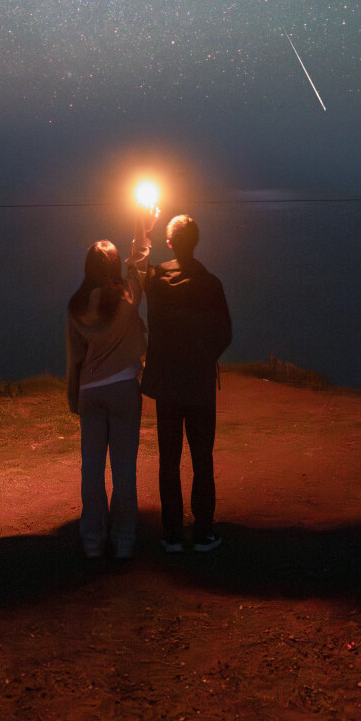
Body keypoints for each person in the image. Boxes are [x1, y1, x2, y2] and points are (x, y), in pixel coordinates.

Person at [140, 212, 232, 554]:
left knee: (169, 458)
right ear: (196, 242)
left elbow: (135, 273)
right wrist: (203, 358)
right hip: (199, 385)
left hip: (167, 383)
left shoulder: (156, 279)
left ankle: (172, 533)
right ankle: (205, 531)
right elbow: (225, 332)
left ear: (169, 243)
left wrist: (141, 233)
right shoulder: (211, 283)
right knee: (201, 457)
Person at [65, 213, 151, 560]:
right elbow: (140, 264)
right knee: (124, 468)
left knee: (91, 467)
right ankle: (125, 540)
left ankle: (92, 540)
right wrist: (140, 232)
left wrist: (74, 395)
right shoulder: (128, 295)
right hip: (123, 389)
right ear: (115, 265)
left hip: (90, 392)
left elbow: (74, 357)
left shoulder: (76, 305)